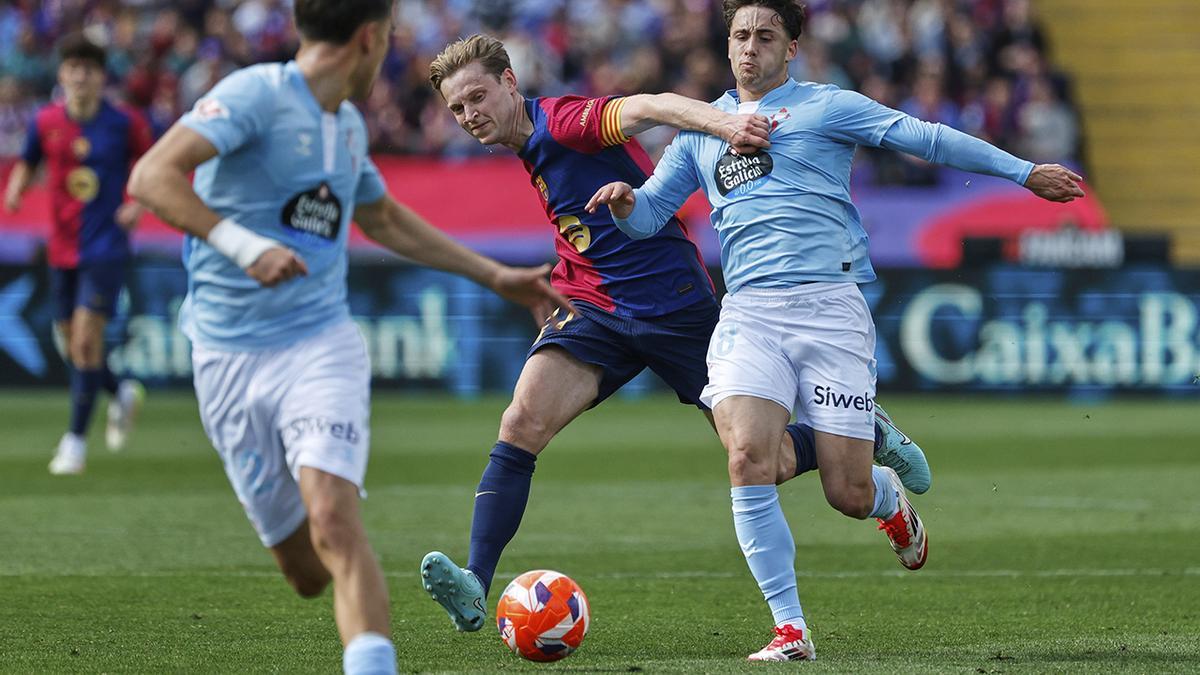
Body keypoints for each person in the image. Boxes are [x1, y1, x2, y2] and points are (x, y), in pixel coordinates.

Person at [588, 0, 1084, 662]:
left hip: (829, 307)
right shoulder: (700, 132)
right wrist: (625, 205)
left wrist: (1026, 173)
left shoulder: (826, 107)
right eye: (740, 35)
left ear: (791, 48)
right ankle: (791, 629)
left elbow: (927, 138)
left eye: (765, 36)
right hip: (748, 312)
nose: (749, 48)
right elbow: (651, 216)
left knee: (845, 492)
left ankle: (885, 493)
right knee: (745, 458)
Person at [416, 34, 932, 635]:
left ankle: (862, 434)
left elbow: (650, 105)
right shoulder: (528, 148)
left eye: (478, 95)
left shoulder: (562, 123)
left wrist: (724, 125)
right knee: (519, 423)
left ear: (510, 82)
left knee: (768, 458)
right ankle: (476, 584)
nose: (470, 113)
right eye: (457, 108)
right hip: (594, 309)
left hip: (677, 309)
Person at [127, 3, 572, 674]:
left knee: (335, 518)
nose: (389, 47)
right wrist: (246, 246)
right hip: (227, 358)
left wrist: (495, 274)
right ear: (368, 38)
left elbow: (382, 217)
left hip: (319, 344)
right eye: (389, 35)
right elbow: (151, 178)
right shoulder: (256, 94)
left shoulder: (345, 127)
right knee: (306, 569)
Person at [3, 33, 151, 475]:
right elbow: (29, 159)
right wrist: (16, 185)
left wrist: (137, 203)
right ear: (63, 75)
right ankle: (120, 390)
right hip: (61, 245)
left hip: (105, 244)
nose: (81, 77)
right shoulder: (46, 120)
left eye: (89, 70)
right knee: (73, 346)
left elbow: (151, 163)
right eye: (74, 69)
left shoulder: (124, 123)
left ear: (101, 76)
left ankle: (75, 444)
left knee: (86, 340)